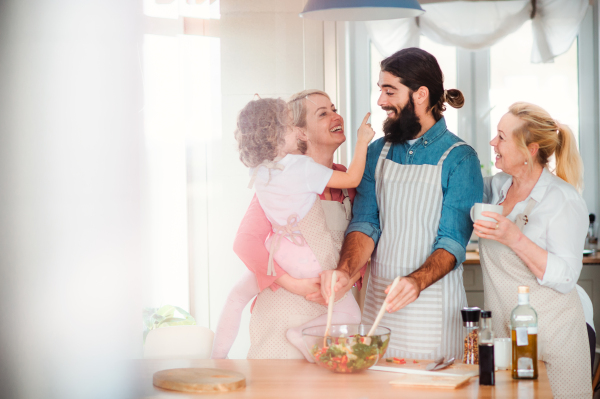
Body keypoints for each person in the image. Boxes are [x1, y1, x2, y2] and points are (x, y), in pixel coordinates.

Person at [320, 47, 484, 360]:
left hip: (433, 307)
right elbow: (366, 222)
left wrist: (415, 282)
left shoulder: (460, 158)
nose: (381, 101)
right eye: (380, 90)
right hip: (378, 307)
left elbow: (452, 241)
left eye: (389, 90)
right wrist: (345, 270)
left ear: (420, 94)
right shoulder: (376, 152)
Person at [211, 91, 373, 360]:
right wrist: (291, 283)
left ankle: (216, 357)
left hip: (330, 313)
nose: (337, 115)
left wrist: (350, 276)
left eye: (334, 108)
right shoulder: (295, 174)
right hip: (281, 320)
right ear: (300, 132)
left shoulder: (342, 179)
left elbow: (365, 239)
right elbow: (245, 243)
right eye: (323, 113)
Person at [473, 102, 592, 398]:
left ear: (530, 149)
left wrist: (515, 237)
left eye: (501, 137)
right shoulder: (499, 187)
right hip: (507, 337)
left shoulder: (562, 199)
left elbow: (566, 276)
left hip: (555, 339)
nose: (492, 143)